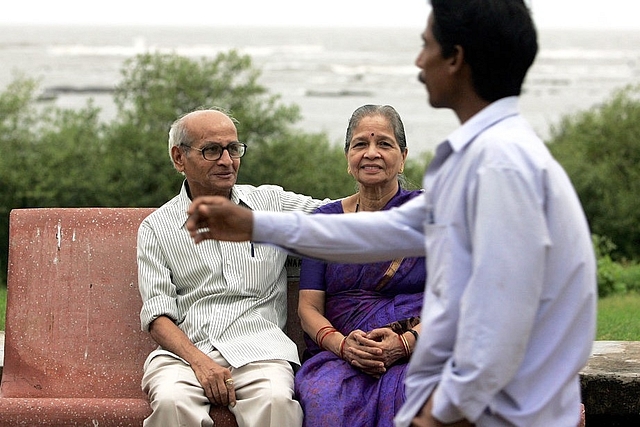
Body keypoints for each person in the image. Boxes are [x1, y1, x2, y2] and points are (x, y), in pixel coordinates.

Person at [184, 1, 596, 426]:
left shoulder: (498, 165)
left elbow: (504, 307)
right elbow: (387, 231)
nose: (419, 61)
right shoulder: (487, 154)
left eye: (426, 45)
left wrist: (443, 412)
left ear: (455, 59)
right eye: (360, 145)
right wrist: (254, 224)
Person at [137, 108, 327, 427]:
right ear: (179, 158)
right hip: (185, 355)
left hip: (260, 350)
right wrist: (199, 363)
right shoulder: (156, 228)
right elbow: (157, 316)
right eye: (211, 150)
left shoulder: (270, 204)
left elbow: (333, 215)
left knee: (276, 401)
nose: (227, 161)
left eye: (233, 149)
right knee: (171, 403)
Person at [296, 104, 425, 427]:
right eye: (360, 145)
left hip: (423, 346)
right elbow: (309, 309)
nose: (372, 153)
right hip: (340, 355)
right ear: (347, 159)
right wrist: (345, 347)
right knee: (325, 397)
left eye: (384, 143)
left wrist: (405, 343)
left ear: (403, 156)